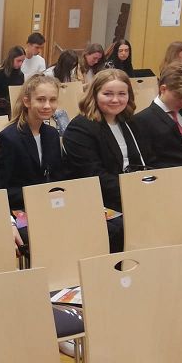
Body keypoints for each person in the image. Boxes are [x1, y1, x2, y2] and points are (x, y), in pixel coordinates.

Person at [62, 69, 148, 251]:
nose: (115, 100)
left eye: (122, 94)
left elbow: (145, 160)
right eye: (108, 94)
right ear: (94, 95)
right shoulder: (81, 128)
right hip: (101, 198)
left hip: (132, 191)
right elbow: (94, 176)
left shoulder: (129, 122)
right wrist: (135, 192)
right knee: (131, 225)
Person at [132, 62, 182, 263]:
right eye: (180, 97)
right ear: (163, 88)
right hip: (172, 183)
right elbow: (147, 164)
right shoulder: (143, 120)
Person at [0, 75, 67, 212]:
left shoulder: (52, 134)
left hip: (50, 205)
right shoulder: (8, 138)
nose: (47, 106)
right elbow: (2, 190)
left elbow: (57, 176)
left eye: (52, 100)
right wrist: (40, 194)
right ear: (27, 102)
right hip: (21, 208)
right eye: (41, 100)